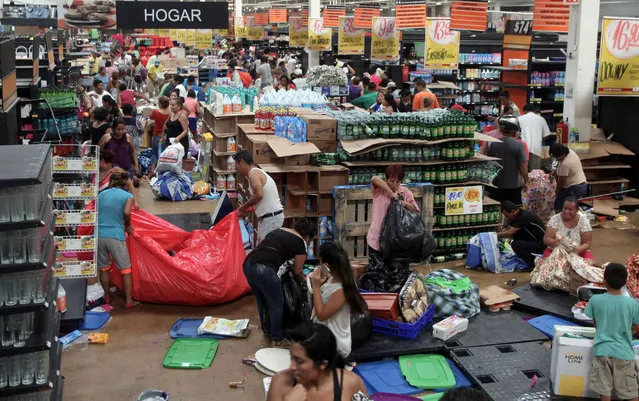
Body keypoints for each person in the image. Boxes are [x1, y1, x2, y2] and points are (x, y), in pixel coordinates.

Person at [242, 219, 316, 344]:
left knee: (262, 299)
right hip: (265, 269)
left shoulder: (279, 230)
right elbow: (298, 270)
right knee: (276, 304)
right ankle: (277, 338)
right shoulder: (300, 242)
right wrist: (305, 282)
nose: (308, 243)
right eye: (310, 240)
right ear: (307, 236)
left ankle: (267, 329)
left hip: (249, 264)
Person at [267, 322, 369, 401]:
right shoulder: (281, 382)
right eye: (291, 357)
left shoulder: (350, 383)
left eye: (299, 361)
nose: (291, 367)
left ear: (323, 364)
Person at [584, 262, 639, 401]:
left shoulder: (595, 300)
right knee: (630, 392)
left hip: (602, 350)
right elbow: (635, 325)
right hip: (624, 353)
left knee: (605, 391)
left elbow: (595, 322)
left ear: (604, 280)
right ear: (625, 282)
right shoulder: (632, 304)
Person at [309, 242, 369, 358]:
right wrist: (320, 284)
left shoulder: (341, 290)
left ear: (326, 265)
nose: (319, 265)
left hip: (334, 345)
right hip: (324, 337)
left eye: (320, 262)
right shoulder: (333, 279)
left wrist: (316, 287)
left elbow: (321, 314)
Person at [97, 169, 139, 309]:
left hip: (99, 235)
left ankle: (107, 296)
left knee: (104, 268)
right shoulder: (127, 195)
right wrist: (127, 225)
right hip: (115, 235)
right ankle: (128, 301)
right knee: (125, 269)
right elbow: (127, 212)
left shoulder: (101, 195)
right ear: (124, 183)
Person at [367, 165, 419, 260]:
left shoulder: (405, 192)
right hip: (377, 240)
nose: (394, 184)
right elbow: (374, 179)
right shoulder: (379, 190)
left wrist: (403, 203)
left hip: (397, 242)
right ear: (386, 179)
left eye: (398, 181)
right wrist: (391, 193)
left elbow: (415, 210)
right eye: (391, 181)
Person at [235, 150, 284, 242]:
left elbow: (259, 195)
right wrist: (245, 211)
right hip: (268, 218)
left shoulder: (253, 173)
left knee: (264, 250)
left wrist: (242, 208)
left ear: (241, 162)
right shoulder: (256, 173)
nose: (236, 168)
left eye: (237, 164)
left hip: (271, 219)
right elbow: (260, 201)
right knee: (262, 249)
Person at [486, 115, 529, 205]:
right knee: (514, 210)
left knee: (498, 208)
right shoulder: (518, 144)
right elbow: (523, 165)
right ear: (515, 128)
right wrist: (526, 181)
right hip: (514, 185)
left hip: (497, 184)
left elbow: (490, 163)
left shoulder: (494, 143)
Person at [497, 200, 546, 271]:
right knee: (516, 237)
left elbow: (509, 233)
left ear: (513, 211)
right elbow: (507, 229)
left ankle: (532, 264)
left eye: (507, 216)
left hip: (542, 245)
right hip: (534, 241)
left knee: (516, 245)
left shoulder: (524, 217)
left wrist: (494, 235)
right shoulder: (517, 215)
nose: (507, 218)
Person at [543, 196, 594, 264]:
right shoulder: (555, 219)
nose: (567, 211)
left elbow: (587, 243)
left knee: (589, 264)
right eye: (565, 208)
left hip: (578, 251)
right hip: (555, 251)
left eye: (570, 209)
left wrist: (578, 250)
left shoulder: (584, 222)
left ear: (577, 210)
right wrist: (555, 242)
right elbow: (546, 239)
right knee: (549, 266)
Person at [549, 143, 587, 212]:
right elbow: (558, 166)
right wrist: (554, 173)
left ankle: (561, 219)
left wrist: (557, 190)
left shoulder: (565, 164)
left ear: (562, 155)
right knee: (571, 207)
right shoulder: (570, 152)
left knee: (561, 205)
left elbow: (562, 181)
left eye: (557, 157)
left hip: (574, 187)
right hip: (581, 184)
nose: (556, 159)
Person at [518, 104, 551, 171]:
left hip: (522, 149)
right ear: (534, 111)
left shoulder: (519, 118)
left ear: (524, 111)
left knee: (523, 171)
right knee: (534, 174)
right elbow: (547, 134)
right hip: (536, 149)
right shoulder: (541, 119)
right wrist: (539, 140)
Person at [149, 96, 171, 175]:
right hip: (166, 135)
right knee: (164, 153)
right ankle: (162, 170)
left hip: (156, 134)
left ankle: (152, 169)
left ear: (160, 104)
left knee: (154, 152)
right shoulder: (170, 113)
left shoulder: (156, 112)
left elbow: (150, 117)